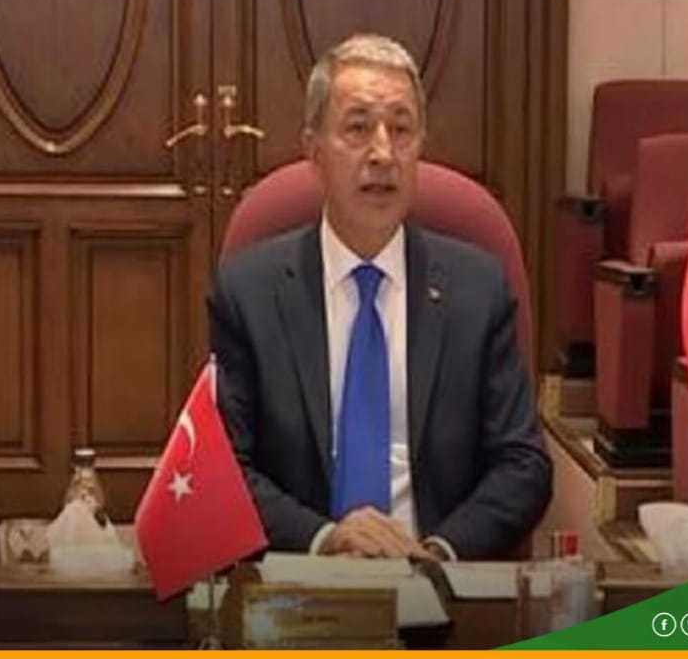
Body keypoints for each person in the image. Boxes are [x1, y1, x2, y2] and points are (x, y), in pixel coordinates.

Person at [209, 34, 550, 560]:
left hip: (438, 579)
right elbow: (224, 469)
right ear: (314, 152)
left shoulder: (477, 289)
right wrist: (326, 539)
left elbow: (524, 465)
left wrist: (440, 553)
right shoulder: (249, 291)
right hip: (302, 580)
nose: (384, 153)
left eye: (402, 129)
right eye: (358, 127)